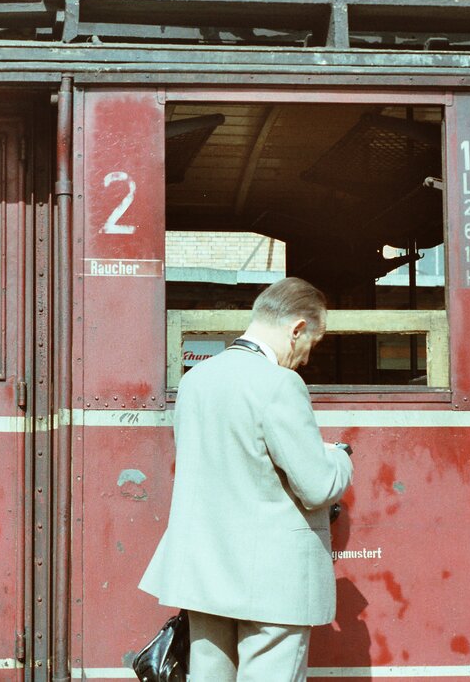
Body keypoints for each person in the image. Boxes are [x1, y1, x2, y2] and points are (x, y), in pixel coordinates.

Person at [139, 277, 353, 681]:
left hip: (206, 571)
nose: (306, 358)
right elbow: (318, 486)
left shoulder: (196, 380)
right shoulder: (280, 384)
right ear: (297, 329)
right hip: (272, 581)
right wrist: (338, 458)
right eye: (313, 343)